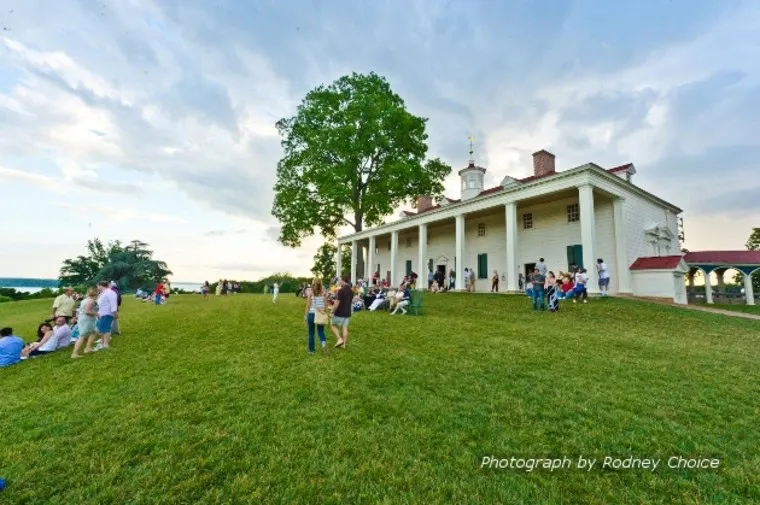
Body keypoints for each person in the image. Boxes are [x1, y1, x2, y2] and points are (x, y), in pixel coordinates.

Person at [304, 279, 329, 356]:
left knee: (311, 333)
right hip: (320, 314)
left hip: (311, 314)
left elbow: (308, 305)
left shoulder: (310, 293)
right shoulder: (324, 293)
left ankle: (311, 351)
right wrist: (325, 312)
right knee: (321, 332)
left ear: (313, 284)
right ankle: (324, 345)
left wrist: (305, 316)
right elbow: (325, 306)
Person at [72, 287, 99, 358]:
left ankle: (88, 348)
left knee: (95, 332)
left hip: (85, 319)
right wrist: (97, 314)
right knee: (82, 336)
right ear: (96, 293)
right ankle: (74, 353)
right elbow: (87, 311)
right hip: (86, 320)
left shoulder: (85, 300)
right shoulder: (91, 301)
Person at [94, 280, 118, 350]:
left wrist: (115, 314)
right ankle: (102, 343)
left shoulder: (110, 293)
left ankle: (106, 345)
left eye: (97, 286)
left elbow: (113, 305)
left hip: (107, 313)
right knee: (101, 329)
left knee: (105, 329)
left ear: (101, 285)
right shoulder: (103, 293)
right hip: (102, 313)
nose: (97, 288)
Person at [330, 277, 353, 349]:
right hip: (348, 311)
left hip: (340, 311)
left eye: (340, 281)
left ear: (343, 281)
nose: (339, 282)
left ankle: (339, 339)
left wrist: (332, 311)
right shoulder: (351, 291)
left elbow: (337, 302)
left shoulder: (341, 290)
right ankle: (344, 344)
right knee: (345, 327)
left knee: (333, 325)